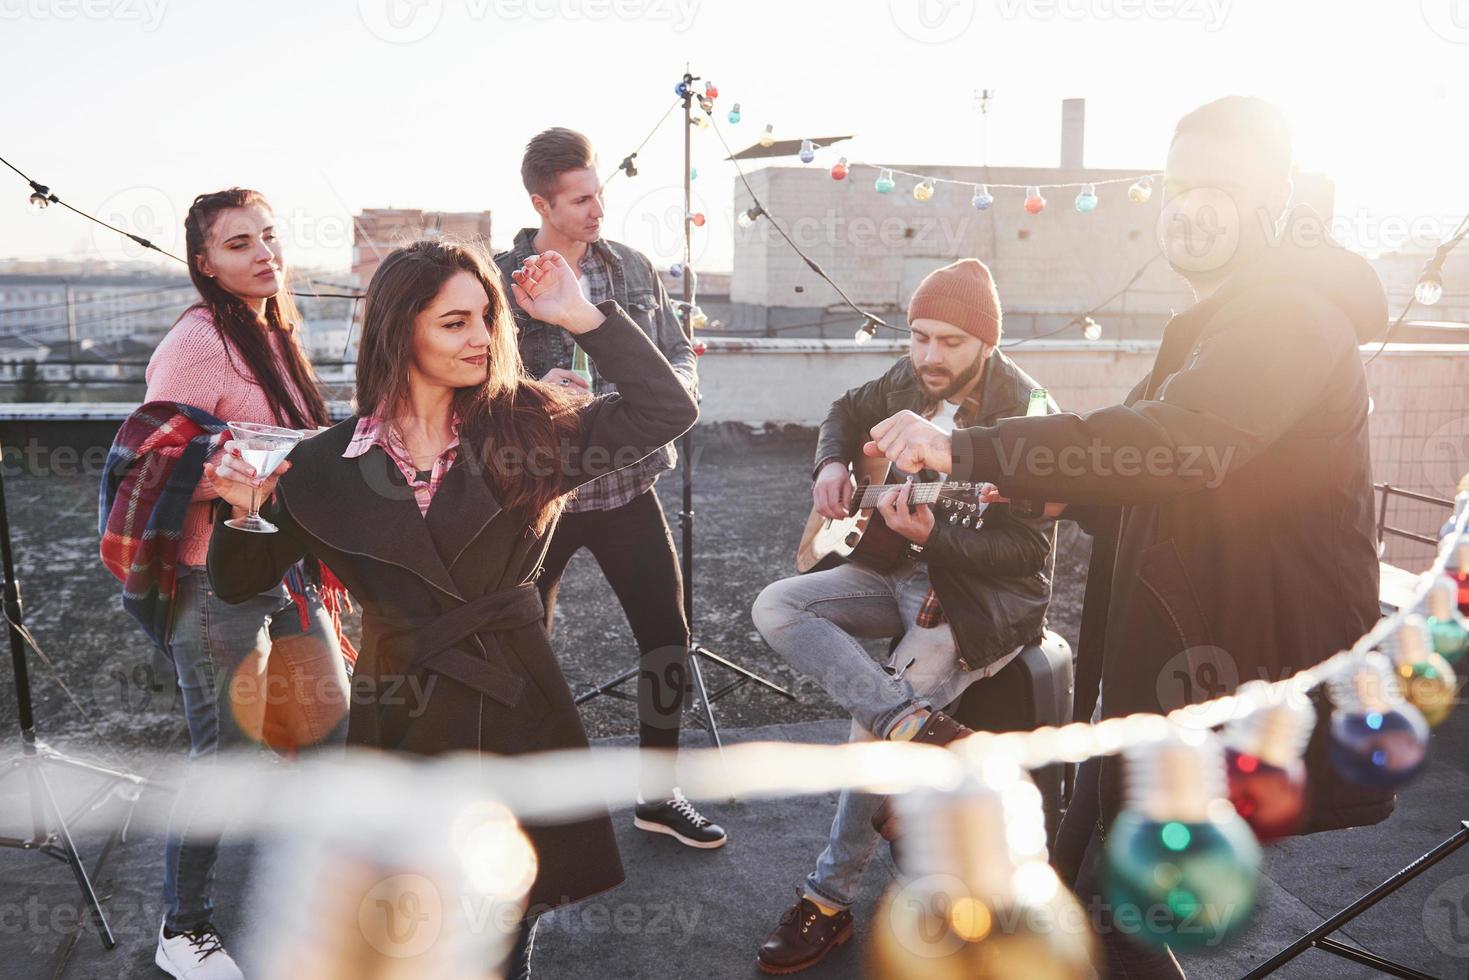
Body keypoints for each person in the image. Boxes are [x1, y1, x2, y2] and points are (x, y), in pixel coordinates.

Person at [865, 97, 1392, 978]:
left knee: (1114, 916)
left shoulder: (1288, 318)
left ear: (1279, 198)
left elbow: (1172, 442)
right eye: (1177, 187)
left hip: (1227, 668)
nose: (1189, 209)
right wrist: (1046, 498)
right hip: (1160, 668)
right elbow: (1172, 480)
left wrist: (965, 446)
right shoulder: (1228, 317)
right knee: (1081, 898)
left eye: (1216, 188)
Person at [206, 240, 698, 978]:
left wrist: (582, 316)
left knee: (505, 914)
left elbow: (667, 408)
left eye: (484, 319)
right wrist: (240, 510)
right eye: (453, 322)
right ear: (401, 330)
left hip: (516, 701)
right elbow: (240, 583)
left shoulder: (532, 427)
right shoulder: (317, 465)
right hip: (399, 708)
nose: (479, 338)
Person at [751, 260, 1056, 974]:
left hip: (976, 600)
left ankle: (825, 901)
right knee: (777, 605)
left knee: (867, 726)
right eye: (919, 337)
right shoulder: (902, 381)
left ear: (985, 341)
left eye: (949, 342)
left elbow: (1028, 553)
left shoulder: (1028, 411)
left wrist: (934, 539)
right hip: (889, 569)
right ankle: (920, 728)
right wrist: (829, 464)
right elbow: (841, 414)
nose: (928, 357)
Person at [493, 127, 724, 848]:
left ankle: (657, 795)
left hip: (627, 489)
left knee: (665, 638)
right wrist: (535, 393)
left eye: (600, 195)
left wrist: (677, 389)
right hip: (543, 498)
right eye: (580, 199)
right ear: (540, 203)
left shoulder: (631, 267)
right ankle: (524, 801)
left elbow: (677, 351)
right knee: (521, 646)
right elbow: (473, 377)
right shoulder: (500, 279)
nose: (597, 210)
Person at [142, 188, 349, 980]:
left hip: (281, 566)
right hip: (210, 578)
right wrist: (232, 474)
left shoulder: (268, 332)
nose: (263, 253)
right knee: (224, 753)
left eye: (267, 236)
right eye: (238, 244)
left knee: (329, 730)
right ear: (205, 263)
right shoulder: (198, 345)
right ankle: (181, 928)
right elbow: (152, 464)